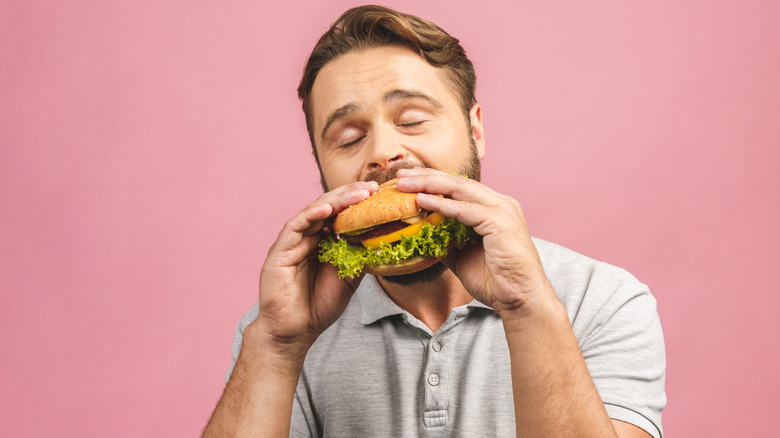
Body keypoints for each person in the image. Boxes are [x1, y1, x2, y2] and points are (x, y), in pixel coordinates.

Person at [203, 5, 666, 437]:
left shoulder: (603, 300)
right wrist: (276, 346)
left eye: (412, 120)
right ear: (320, 165)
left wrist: (526, 307)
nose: (383, 152)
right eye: (348, 138)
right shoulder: (283, 325)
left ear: (475, 131)